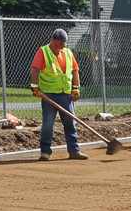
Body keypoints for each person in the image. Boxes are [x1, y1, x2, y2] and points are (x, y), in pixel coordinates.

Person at [29, 28, 89, 161]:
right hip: (49, 95)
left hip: (66, 95)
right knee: (48, 124)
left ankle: (74, 151)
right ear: (52, 40)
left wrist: (75, 88)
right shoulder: (43, 51)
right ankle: (45, 152)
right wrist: (34, 87)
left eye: (62, 45)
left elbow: (75, 70)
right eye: (57, 45)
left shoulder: (67, 52)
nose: (59, 48)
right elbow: (35, 70)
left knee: (70, 123)